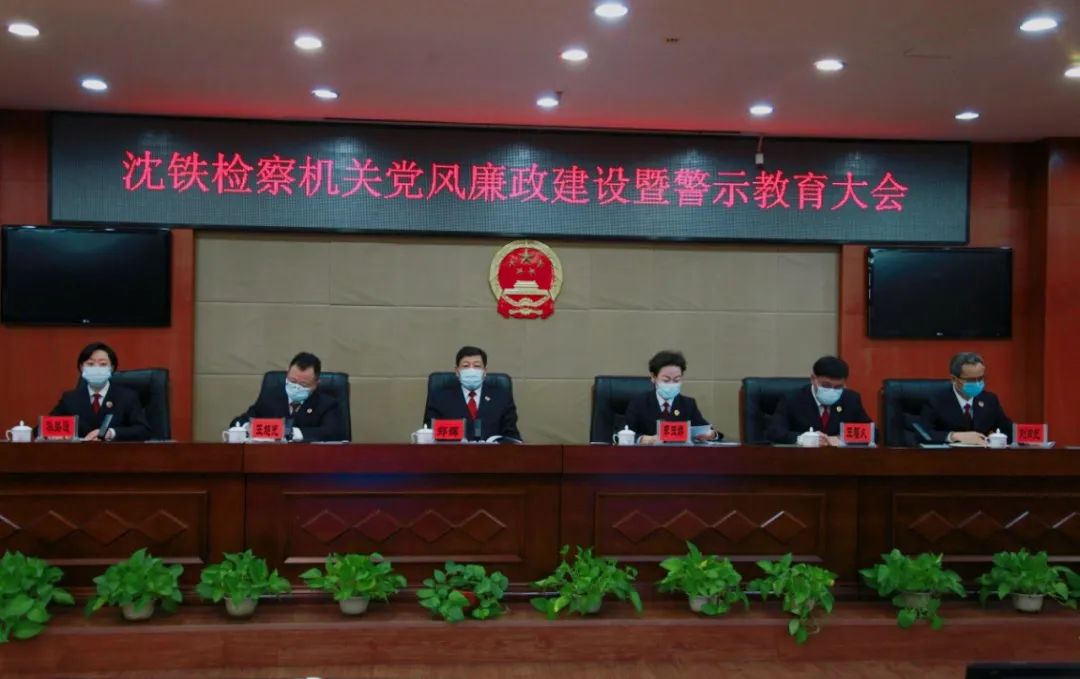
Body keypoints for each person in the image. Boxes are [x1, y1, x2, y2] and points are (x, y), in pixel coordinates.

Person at [48, 342, 151, 441]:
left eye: (103, 364)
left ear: (112, 368)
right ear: (81, 367)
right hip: (79, 452)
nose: (96, 368)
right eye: (90, 364)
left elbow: (143, 430)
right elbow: (45, 427)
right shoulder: (70, 399)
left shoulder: (127, 397)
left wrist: (111, 433)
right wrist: (55, 435)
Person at [232, 352, 344, 442]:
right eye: (293, 381)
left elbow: (333, 432)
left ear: (316, 384)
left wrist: (292, 433)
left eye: (303, 384)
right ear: (287, 376)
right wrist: (247, 428)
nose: (296, 387)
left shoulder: (328, 405)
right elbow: (240, 422)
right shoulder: (270, 397)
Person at [765, 355, 875, 445]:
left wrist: (843, 438)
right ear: (813, 379)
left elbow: (873, 433)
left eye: (838, 387)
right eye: (826, 385)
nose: (832, 390)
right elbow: (773, 432)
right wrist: (803, 438)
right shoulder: (793, 398)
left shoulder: (850, 399)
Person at [423, 345, 521, 442]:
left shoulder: (501, 397)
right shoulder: (439, 397)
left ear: (485, 371)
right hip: (452, 451)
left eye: (477, 366)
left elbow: (512, 436)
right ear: (457, 371)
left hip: (493, 451)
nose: (471, 370)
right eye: (466, 366)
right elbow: (429, 434)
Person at [624, 350, 722, 445]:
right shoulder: (639, 402)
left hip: (679, 454)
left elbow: (706, 430)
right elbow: (622, 433)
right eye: (666, 380)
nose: (671, 384)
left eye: (676, 380)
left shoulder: (688, 404)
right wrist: (642, 439)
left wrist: (712, 434)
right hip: (648, 454)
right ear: (653, 377)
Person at [918, 351, 1013, 446]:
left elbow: (1009, 431)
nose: (977, 384)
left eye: (980, 378)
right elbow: (922, 434)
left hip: (982, 453)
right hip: (950, 454)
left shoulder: (989, 400)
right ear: (954, 379)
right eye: (971, 380)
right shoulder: (937, 400)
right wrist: (953, 436)